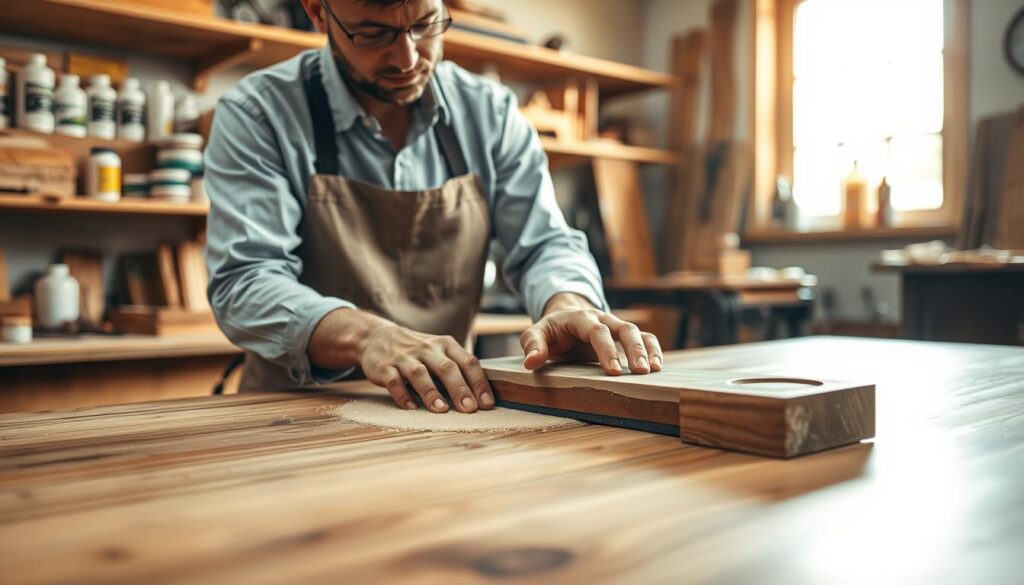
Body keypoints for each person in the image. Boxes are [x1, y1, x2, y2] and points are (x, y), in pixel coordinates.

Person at [204, 0, 663, 414]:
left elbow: (544, 242)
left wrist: (567, 302)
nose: (407, 58)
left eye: (425, 25)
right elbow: (244, 281)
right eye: (372, 32)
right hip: (293, 413)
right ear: (318, 12)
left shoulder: (491, 114)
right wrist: (370, 337)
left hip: (444, 408)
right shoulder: (258, 113)